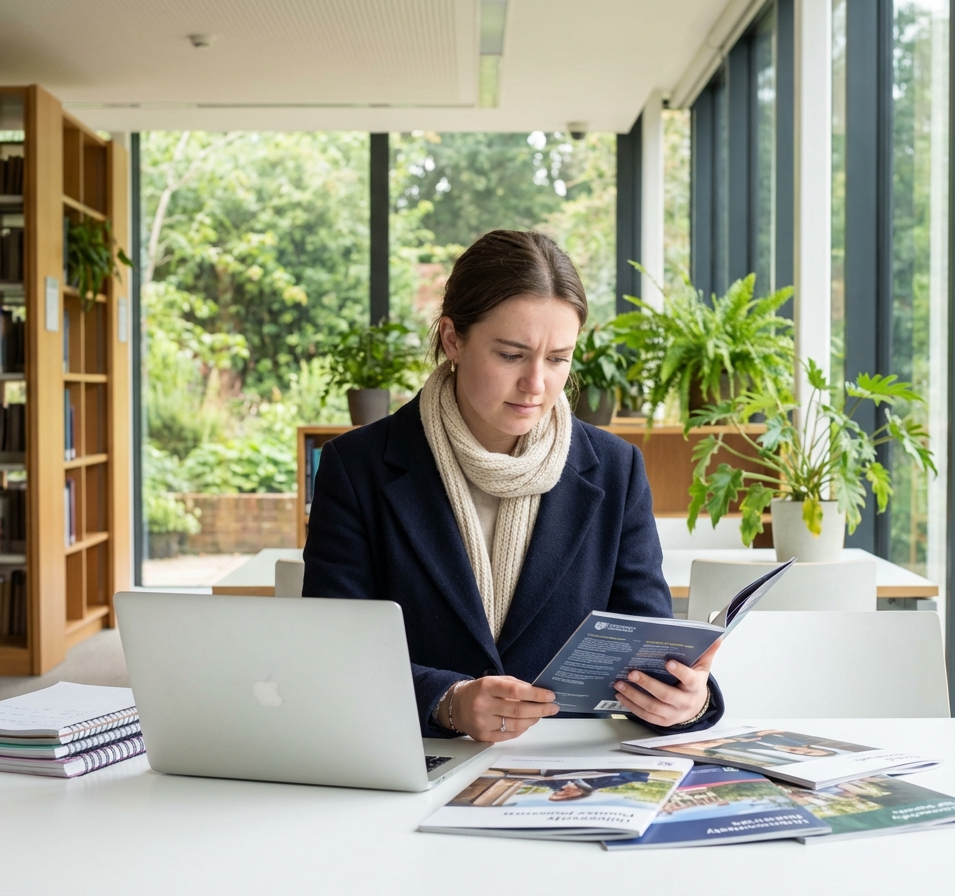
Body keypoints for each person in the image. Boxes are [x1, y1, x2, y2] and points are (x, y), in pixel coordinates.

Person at [302, 230, 724, 742]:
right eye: (510, 355)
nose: (536, 384)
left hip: (570, 772)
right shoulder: (357, 467)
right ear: (453, 338)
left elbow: (645, 648)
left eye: (558, 359)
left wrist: (686, 699)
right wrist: (447, 702)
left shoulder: (616, 469)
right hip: (414, 765)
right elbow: (334, 655)